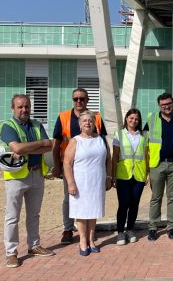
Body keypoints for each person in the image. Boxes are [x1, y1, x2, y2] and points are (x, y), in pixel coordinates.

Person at [0, 94, 55, 268]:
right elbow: (16, 147)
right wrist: (40, 143)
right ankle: (11, 252)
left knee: (34, 215)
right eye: (20, 107)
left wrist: (28, 148)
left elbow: (49, 146)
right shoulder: (6, 126)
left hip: (37, 175)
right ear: (13, 108)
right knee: (12, 217)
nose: (24, 110)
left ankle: (34, 246)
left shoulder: (36, 124)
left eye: (27, 106)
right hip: (16, 178)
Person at [52, 88, 107, 245]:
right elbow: (56, 144)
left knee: (91, 199)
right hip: (70, 166)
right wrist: (57, 165)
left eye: (82, 99)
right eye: (75, 99)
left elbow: (102, 142)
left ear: (87, 100)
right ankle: (68, 228)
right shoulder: (63, 117)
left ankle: (89, 234)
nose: (79, 101)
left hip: (92, 169)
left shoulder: (96, 118)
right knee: (70, 198)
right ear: (72, 100)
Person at [62, 110, 113, 256]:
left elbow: (108, 159)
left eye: (90, 120)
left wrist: (108, 177)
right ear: (79, 124)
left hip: (97, 182)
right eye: (84, 121)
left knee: (93, 212)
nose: (88, 123)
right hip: (80, 183)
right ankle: (82, 242)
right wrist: (71, 183)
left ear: (95, 123)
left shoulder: (101, 139)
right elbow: (67, 163)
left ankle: (91, 240)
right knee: (82, 213)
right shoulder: (75, 141)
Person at [144, 93, 173, 241]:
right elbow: (145, 144)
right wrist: (146, 168)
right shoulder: (152, 119)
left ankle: (171, 227)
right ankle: (153, 227)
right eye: (163, 104)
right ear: (159, 105)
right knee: (156, 198)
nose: (166, 106)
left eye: (169, 103)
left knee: (172, 197)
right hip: (157, 164)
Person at [112, 108, 148, 245]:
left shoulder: (144, 135)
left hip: (139, 174)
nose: (134, 121)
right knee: (123, 204)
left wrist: (147, 174)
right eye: (131, 118)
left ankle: (130, 229)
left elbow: (146, 156)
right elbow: (114, 157)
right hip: (123, 174)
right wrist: (113, 175)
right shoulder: (119, 134)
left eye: (136, 119)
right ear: (126, 118)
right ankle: (120, 232)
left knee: (134, 204)